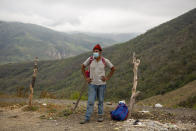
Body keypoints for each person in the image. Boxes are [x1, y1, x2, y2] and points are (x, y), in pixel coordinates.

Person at [80, 44, 115, 124]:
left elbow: (113, 69)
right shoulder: (90, 59)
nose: (95, 53)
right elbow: (82, 67)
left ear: (100, 52)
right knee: (90, 101)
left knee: (101, 101)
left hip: (102, 84)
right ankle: (87, 117)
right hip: (92, 84)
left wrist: (107, 78)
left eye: (96, 51)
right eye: (94, 51)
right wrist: (86, 78)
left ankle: (100, 116)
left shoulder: (105, 61)